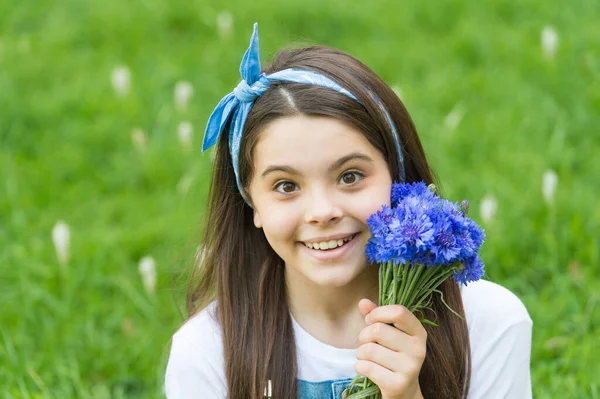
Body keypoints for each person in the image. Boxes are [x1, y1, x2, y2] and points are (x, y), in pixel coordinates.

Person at [164, 23, 533, 399]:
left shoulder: (488, 322)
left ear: (396, 174)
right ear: (250, 200)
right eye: (286, 186)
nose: (322, 212)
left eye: (350, 176)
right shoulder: (206, 353)